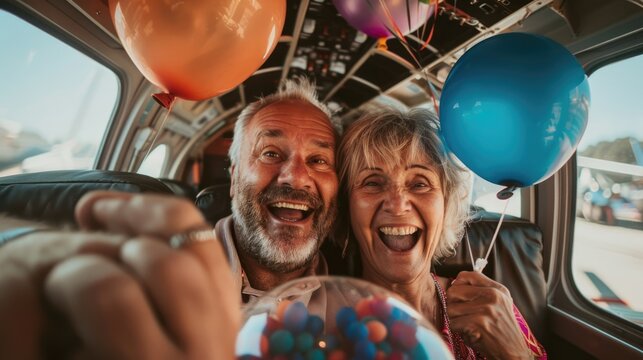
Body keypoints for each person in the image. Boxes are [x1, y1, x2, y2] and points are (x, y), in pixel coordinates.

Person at [336, 107, 546, 359]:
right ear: (346, 207)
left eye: (419, 183)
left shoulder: (491, 306)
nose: (397, 203)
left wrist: (514, 354)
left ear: (446, 205)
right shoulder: (321, 323)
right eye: (372, 183)